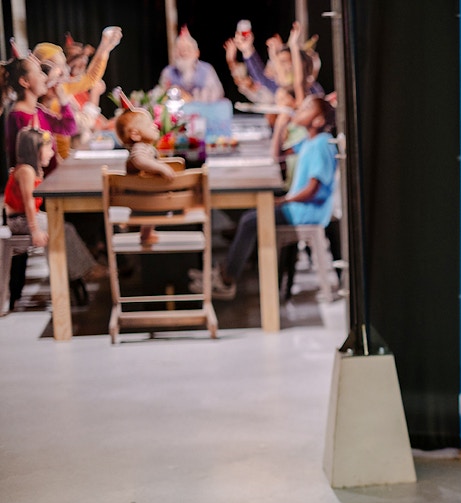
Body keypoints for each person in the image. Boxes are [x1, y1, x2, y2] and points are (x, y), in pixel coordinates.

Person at [190, 95, 335, 299]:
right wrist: (280, 126)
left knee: (250, 220)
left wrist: (284, 200)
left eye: (307, 107)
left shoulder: (321, 144)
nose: (300, 108)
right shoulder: (308, 141)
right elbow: (276, 157)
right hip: (296, 207)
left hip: (305, 211)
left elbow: (313, 189)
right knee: (248, 217)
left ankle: (226, 280)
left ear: (318, 120)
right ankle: (225, 271)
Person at [3, 126, 107, 305]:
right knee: (63, 228)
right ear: (35, 150)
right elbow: (28, 203)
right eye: (48, 148)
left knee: (65, 227)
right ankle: (80, 272)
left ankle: (77, 272)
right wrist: (35, 230)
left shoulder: (32, 170)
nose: (51, 153)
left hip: (29, 218)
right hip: (20, 221)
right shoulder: (26, 171)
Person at [2, 54, 77, 174]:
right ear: (25, 82)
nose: (44, 77)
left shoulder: (38, 111)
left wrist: (62, 98)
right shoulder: (19, 117)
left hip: (51, 181)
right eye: (39, 73)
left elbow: (69, 128)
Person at [114, 108, 177, 246]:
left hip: (145, 198)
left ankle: (146, 234)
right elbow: (138, 160)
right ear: (135, 134)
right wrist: (161, 168)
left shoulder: (145, 146)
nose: (155, 126)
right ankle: (145, 233)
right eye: (149, 125)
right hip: (143, 199)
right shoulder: (139, 148)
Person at [158, 27, 224, 102]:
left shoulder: (206, 70)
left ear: (197, 53)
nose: (183, 53)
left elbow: (217, 93)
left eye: (188, 49)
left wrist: (191, 98)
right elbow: (159, 95)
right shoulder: (168, 72)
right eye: (180, 49)